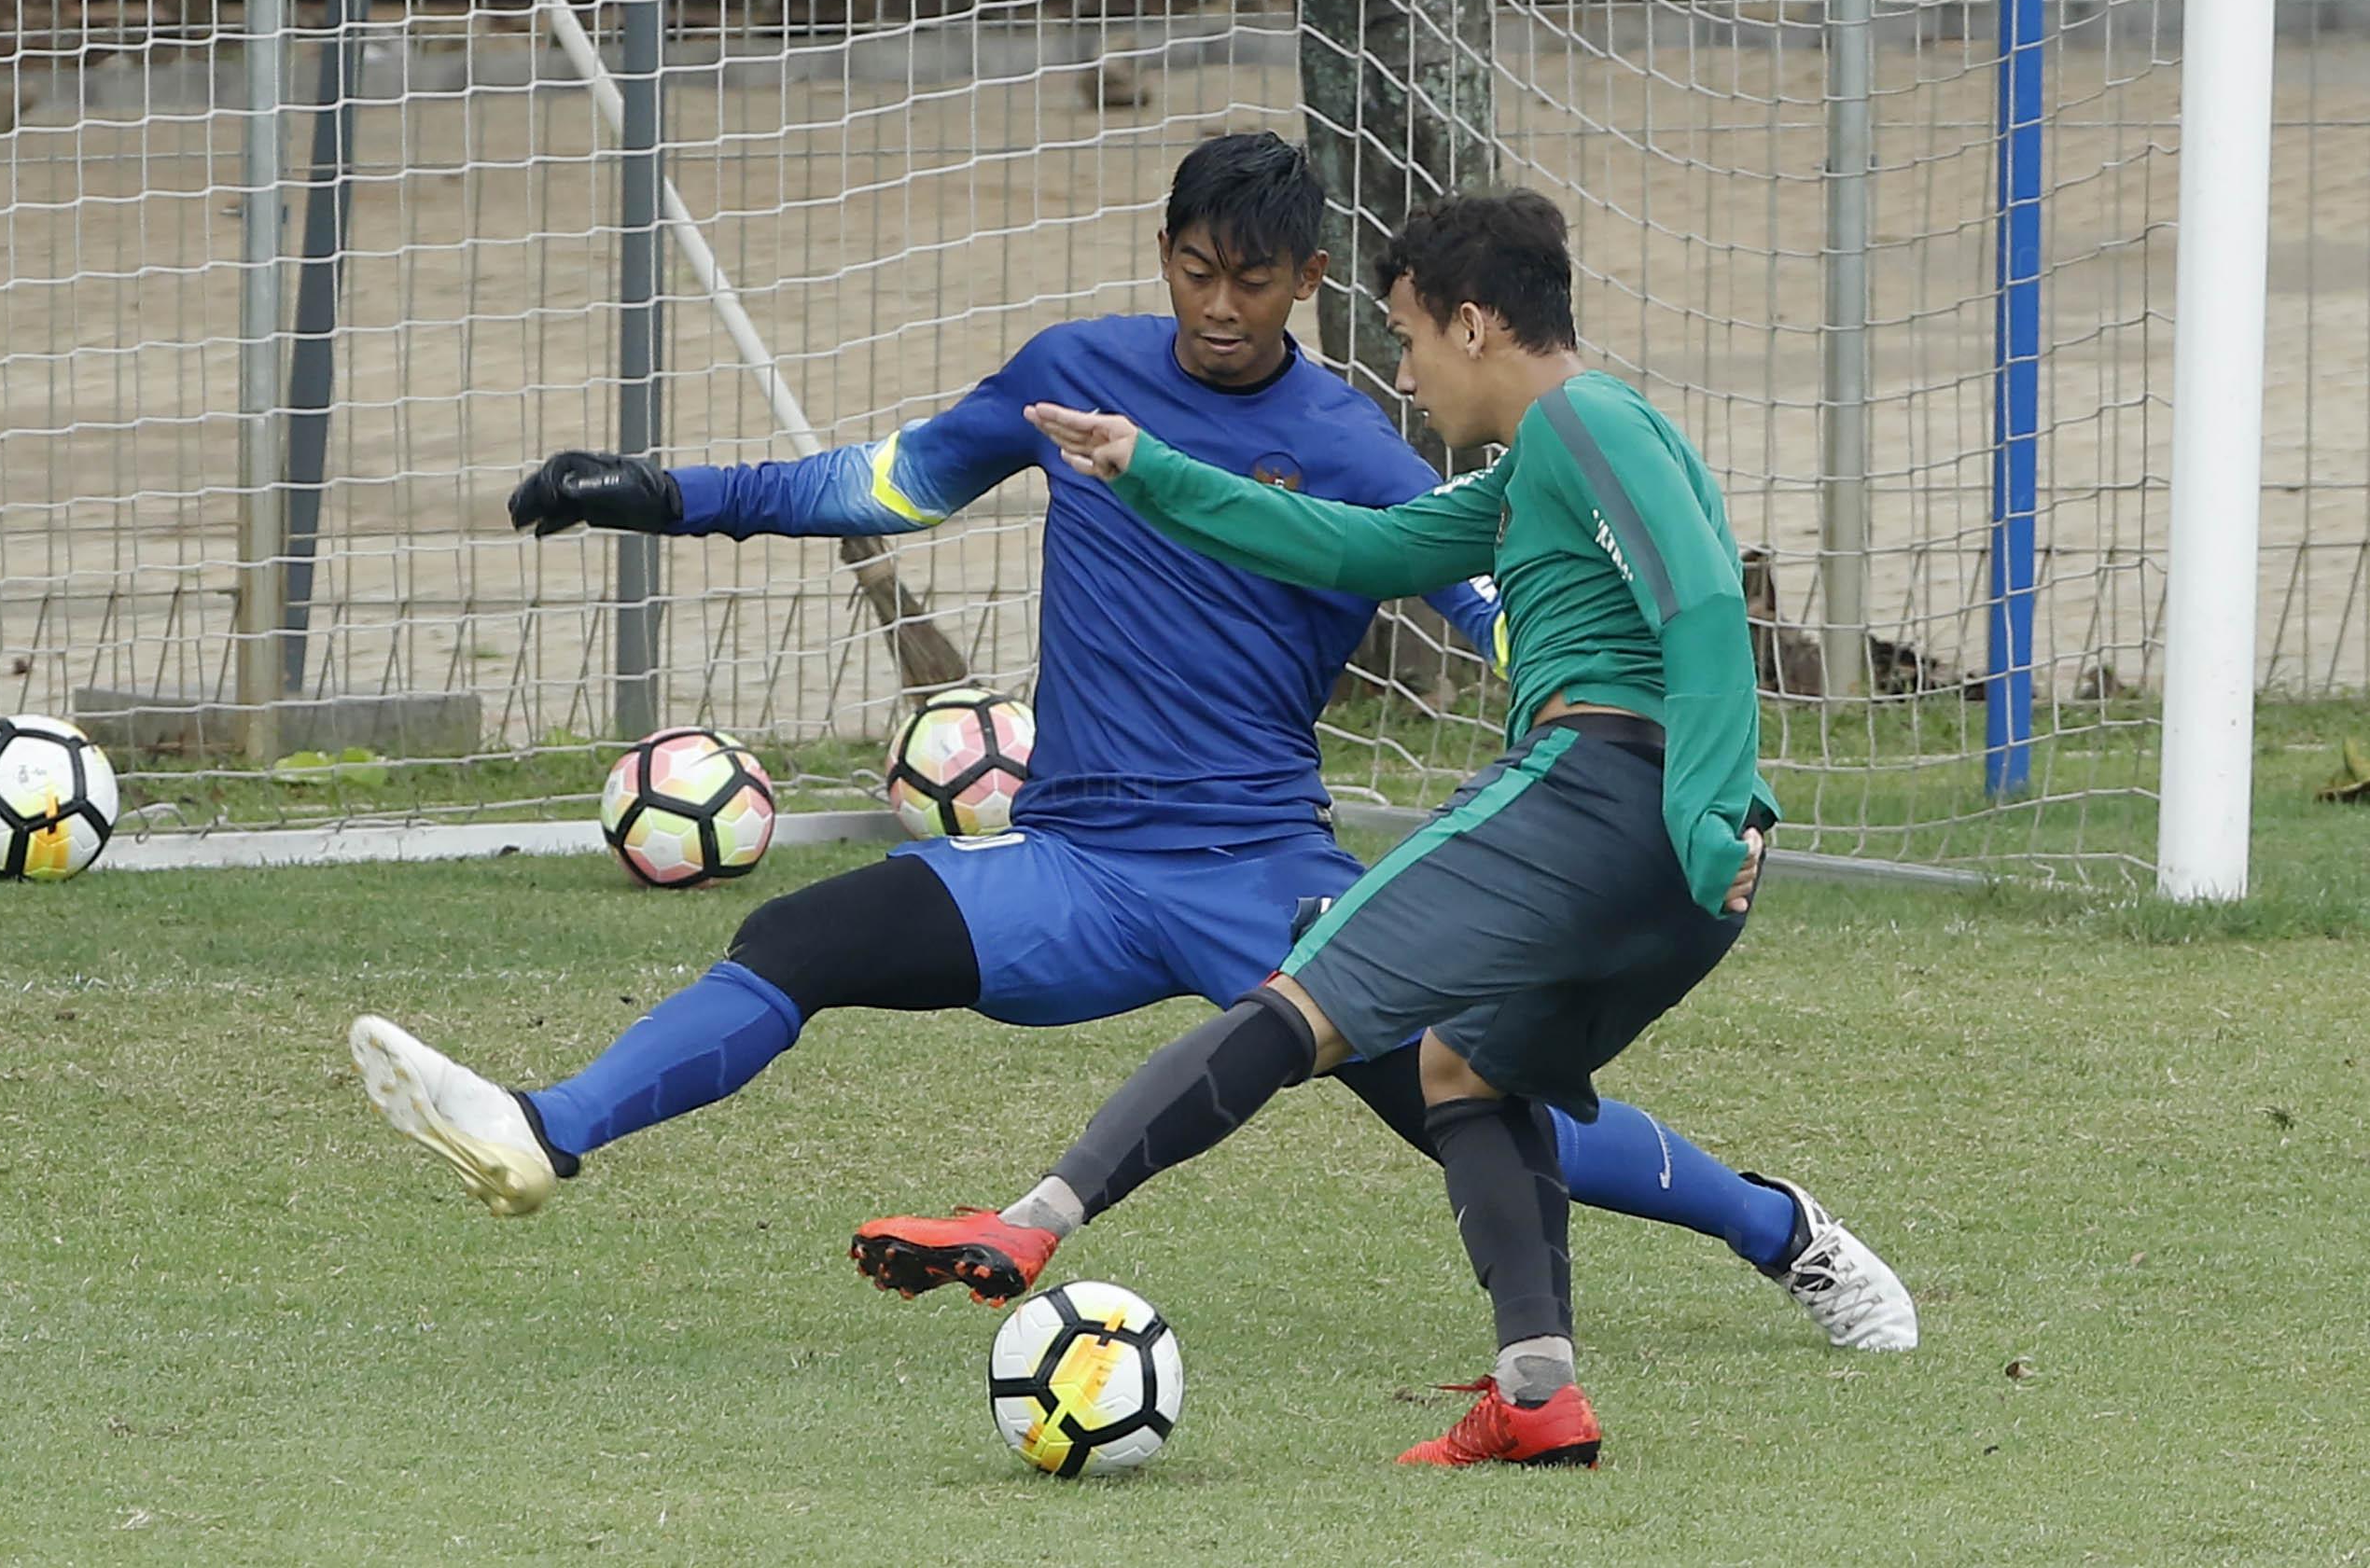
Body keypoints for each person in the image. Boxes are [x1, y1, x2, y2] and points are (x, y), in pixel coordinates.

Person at [346, 135, 1912, 1353]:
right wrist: (666, 494)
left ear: (1307, 281)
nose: (1217, 307)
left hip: (1264, 873)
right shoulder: (1071, 381)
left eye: (1253, 279)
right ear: (1165, 260)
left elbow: (1510, 598)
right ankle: (543, 1132)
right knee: (808, 933)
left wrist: (1610, 769)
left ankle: (1783, 1233)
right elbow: (877, 487)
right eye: (1192, 270)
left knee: (1480, 1106)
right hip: (1079, 865)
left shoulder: (1362, 451)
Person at [857, 187, 1916, 1468]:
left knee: (1302, 993)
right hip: (1659, 856)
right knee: (1464, 1073)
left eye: (1410, 339)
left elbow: (1697, 598)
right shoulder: (1541, 466)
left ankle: (1034, 1220)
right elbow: (1348, 548)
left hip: (1602, 792)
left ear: (1473, 326)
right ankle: (1539, 1396)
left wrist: (1710, 812)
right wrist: (1151, 469)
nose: (1403, 376)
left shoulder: (1588, 419)